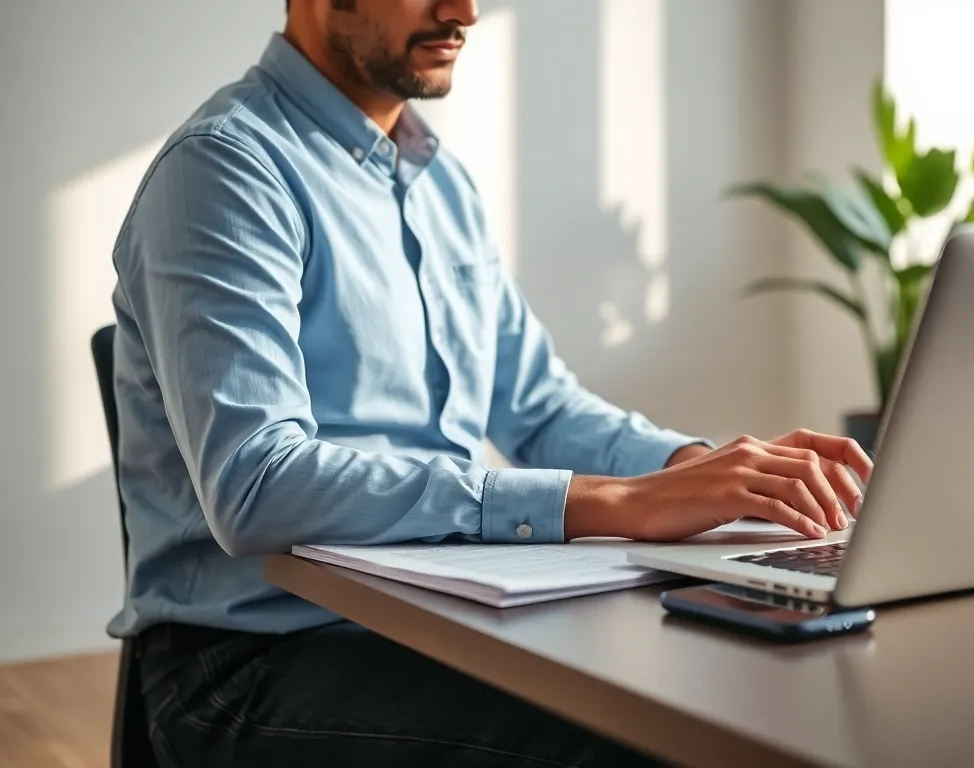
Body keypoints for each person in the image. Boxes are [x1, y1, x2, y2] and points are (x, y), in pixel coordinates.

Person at [108, 1, 872, 765]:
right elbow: (256, 483)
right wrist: (611, 503)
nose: (464, 10)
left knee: (743, 690)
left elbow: (539, 408)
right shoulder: (224, 171)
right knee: (636, 742)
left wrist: (703, 473)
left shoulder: (440, 185)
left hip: (434, 620)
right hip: (246, 665)